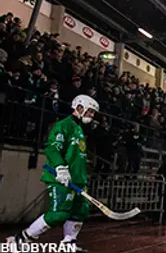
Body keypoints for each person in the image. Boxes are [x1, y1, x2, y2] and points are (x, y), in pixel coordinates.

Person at [6, 95, 99, 253]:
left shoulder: (79, 129)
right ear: (80, 108)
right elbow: (52, 147)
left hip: (76, 180)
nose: (92, 115)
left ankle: (68, 243)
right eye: (90, 111)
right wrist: (60, 167)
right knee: (59, 214)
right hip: (61, 178)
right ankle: (21, 238)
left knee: (80, 211)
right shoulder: (64, 125)